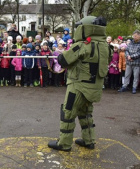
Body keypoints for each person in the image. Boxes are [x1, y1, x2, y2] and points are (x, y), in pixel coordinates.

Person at [48, 16, 111, 151]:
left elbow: (63, 60)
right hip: (94, 87)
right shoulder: (105, 45)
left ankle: (64, 144)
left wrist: (62, 53)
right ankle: (89, 140)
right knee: (85, 112)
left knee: (68, 112)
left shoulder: (82, 45)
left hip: (78, 86)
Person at [118, 30, 140, 94]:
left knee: (136, 76)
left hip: (136, 63)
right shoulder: (130, 42)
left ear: (139, 35)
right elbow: (126, 50)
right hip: (129, 63)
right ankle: (124, 86)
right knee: (126, 75)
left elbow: (139, 53)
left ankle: (134, 88)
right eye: (134, 36)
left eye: (135, 36)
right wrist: (128, 56)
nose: (134, 37)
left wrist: (132, 57)